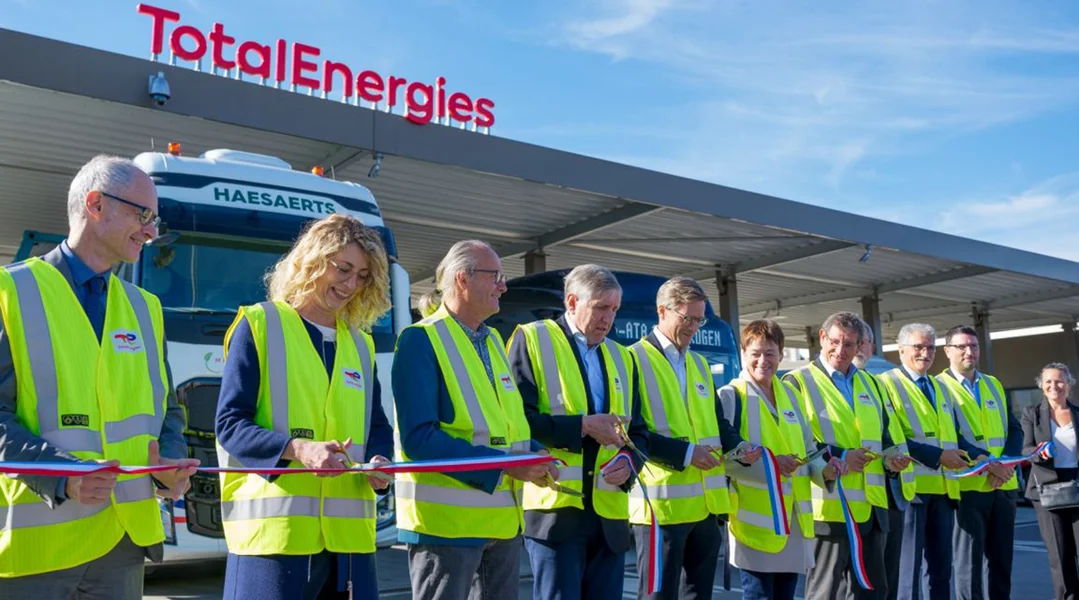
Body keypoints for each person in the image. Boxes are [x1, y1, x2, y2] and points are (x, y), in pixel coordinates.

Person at [0, 155, 197, 596]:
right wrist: (61, 475)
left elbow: (165, 408)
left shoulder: (146, 308)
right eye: (142, 214)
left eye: (154, 219)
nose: (151, 230)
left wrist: (168, 459)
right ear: (95, 204)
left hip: (124, 545)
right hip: (40, 548)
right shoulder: (9, 291)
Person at [214, 214, 395, 599]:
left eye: (363, 276)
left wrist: (380, 462)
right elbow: (230, 425)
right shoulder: (260, 324)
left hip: (349, 546)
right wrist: (298, 449)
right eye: (343, 269)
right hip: (275, 542)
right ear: (312, 261)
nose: (351, 284)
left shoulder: (361, 345)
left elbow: (376, 426)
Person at [393, 240, 557, 600]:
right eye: (495, 276)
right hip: (445, 530)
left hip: (501, 526)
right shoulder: (420, 340)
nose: (503, 286)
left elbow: (504, 426)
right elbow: (419, 439)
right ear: (462, 280)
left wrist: (536, 454)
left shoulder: (494, 341)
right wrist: (504, 467)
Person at [508, 264, 649, 600]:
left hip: (610, 520)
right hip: (556, 514)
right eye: (600, 307)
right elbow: (515, 421)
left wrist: (630, 462)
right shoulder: (532, 338)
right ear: (571, 302)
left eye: (614, 309)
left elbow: (640, 434)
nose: (608, 318)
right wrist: (583, 426)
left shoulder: (623, 357)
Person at [628, 277, 760, 600]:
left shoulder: (699, 364)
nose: (694, 327)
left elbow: (718, 425)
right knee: (659, 596)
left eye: (699, 319)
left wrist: (741, 447)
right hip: (661, 509)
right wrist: (688, 454)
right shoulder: (632, 359)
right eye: (687, 318)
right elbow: (634, 434)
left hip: (705, 508)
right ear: (662, 311)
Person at [783, 311, 911, 600]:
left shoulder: (873, 384)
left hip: (872, 508)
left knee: (873, 592)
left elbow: (886, 438)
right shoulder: (797, 382)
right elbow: (797, 441)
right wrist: (842, 455)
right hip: (828, 510)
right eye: (835, 341)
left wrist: (893, 460)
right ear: (821, 338)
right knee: (825, 594)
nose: (841, 351)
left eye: (850, 344)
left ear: (860, 346)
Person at [722, 319, 838, 600]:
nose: (763, 361)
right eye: (756, 354)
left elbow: (809, 448)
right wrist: (773, 465)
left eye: (770, 353)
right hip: (756, 525)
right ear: (743, 354)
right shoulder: (730, 396)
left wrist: (825, 471)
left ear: (782, 354)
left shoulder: (792, 396)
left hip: (794, 522)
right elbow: (723, 460)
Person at [878, 323, 988, 600]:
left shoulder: (939, 387)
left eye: (930, 347)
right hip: (911, 492)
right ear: (901, 350)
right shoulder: (886, 384)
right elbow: (893, 438)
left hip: (943, 491)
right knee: (909, 575)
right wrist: (939, 457)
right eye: (918, 347)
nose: (925, 353)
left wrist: (979, 455)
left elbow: (952, 435)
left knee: (940, 573)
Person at [936, 325, 1022, 600]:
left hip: (1002, 486)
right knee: (968, 566)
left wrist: (1006, 463)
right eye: (961, 346)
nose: (969, 351)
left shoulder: (992, 383)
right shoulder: (938, 387)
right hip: (968, 488)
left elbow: (1014, 428)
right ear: (947, 351)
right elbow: (948, 435)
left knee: (1001, 564)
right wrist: (986, 462)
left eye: (973, 345)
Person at [853, 322, 916, 600]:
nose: (857, 348)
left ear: (871, 348)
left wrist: (895, 460)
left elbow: (893, 434)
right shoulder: (824, 386)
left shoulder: (877, 385)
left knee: (888, 580)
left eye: (862, 342)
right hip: (856, 498)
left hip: (890, 493)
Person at [1022, 363, 1079, 600]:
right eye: (1048, 382)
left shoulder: (1077, 413)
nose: (1054, 386)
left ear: (1069, 385)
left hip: (1076, 484)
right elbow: (1026, 449)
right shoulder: (1031, 414)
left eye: (1059, 381)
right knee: (1059, 554)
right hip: (1046, 489)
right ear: (1042, 387)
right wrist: (1039, 452)